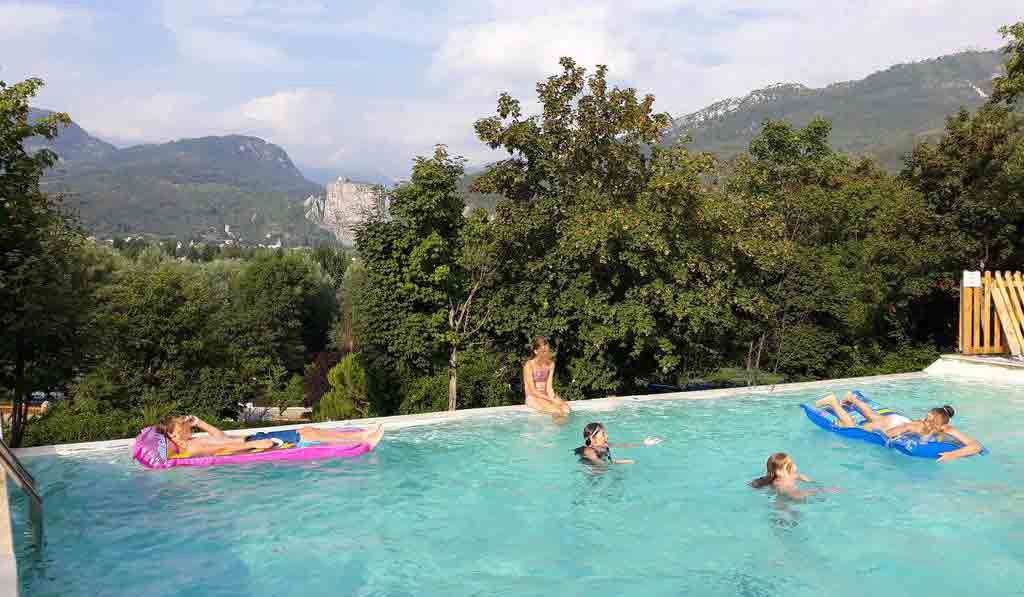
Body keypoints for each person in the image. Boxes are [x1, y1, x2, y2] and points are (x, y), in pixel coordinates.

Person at [815, 393, 982, 462]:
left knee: (875, 417)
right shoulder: (917, 426)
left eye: (928, 419)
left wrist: (952, 454)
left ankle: (851, 398)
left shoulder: (947, 430)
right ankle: (833, 402)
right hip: (898, 423)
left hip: (897, 420)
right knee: (853, 427)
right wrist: (886, 440)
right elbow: (888, 434)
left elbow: (976, 446)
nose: (925, 421)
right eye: (926, 418)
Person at [154, 415, 384, 458]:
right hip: (252, 445)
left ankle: (361, 434)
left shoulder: (192, 440)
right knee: (309, 433)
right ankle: (363, 439)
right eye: (182, 423)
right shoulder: (192, 449)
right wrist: (258, 445)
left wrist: (200, 422)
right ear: (174, 434)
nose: (186, 423)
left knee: (306, 431)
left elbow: (220, 437)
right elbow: (223, 450)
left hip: (252, 438)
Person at [573, 422, 662, 465]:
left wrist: (643, 443)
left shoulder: (604, 445)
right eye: (603, 434)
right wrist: (622, 462)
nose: (607, 436)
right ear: (593, 439)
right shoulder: (588, 451)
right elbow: (600, 464)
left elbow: (624, 445)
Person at [523, 337, 570, 418]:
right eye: (543, 351)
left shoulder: (551, 364)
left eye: (546, 351)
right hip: (533, 397)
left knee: (566, 409)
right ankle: (553, 429)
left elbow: (549, 387)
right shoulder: (529, 365)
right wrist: (549, 399)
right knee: (557, 410)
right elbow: (533, 391)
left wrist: (553, 397)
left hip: (546, 395)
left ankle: (559, 428)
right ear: (535, 351)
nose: (545, 353)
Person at [750, 453, 824, 499]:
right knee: (781, 506)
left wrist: (806, 479)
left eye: (793, 463)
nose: (795, 466)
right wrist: (816, 491)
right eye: (790, 466)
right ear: (780, 472)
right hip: (783, 499)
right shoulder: (780, 484)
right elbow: (795, 496)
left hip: (792, 494)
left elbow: (800, 477)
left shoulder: (792, 475)